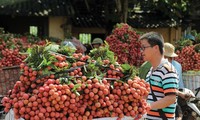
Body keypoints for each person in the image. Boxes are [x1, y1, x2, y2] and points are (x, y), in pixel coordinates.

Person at [139, 32, 179, 120]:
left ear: (156, 48)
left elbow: (171, 98)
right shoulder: (151, 71)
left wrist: (148, 106)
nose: (141, 51)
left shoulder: (167, 70)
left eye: (144, 47)